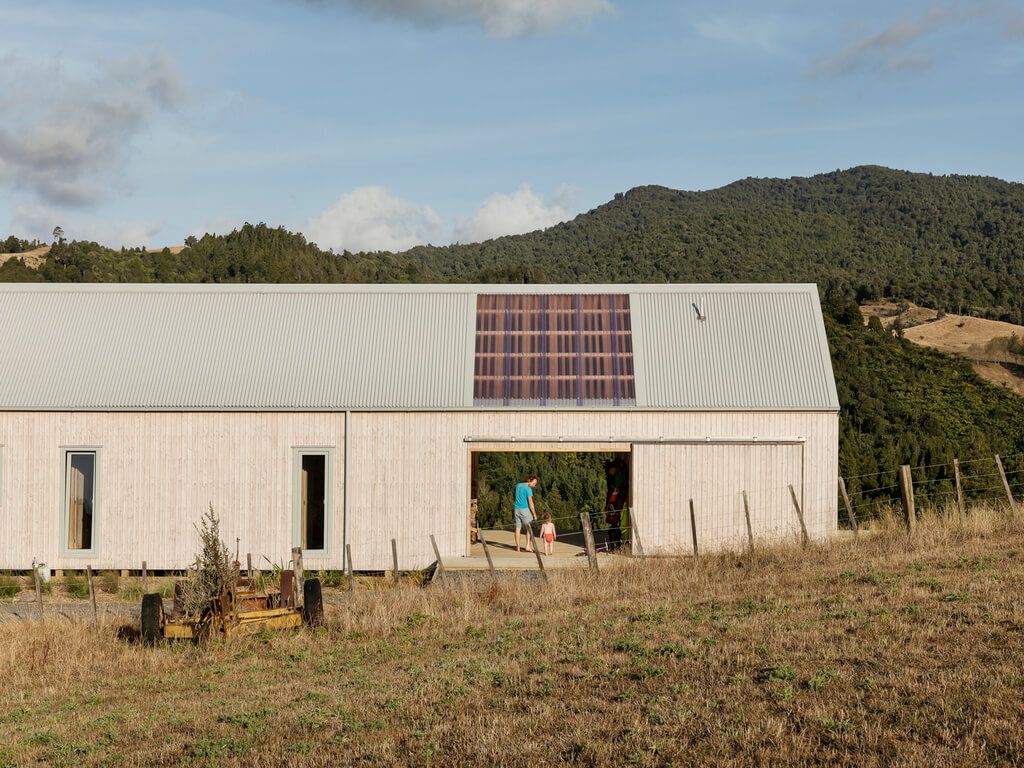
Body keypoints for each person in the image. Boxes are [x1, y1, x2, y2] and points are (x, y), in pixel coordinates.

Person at [604, 458, 628, 551]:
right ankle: (615, 546)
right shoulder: (615, 474)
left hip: (614, 496)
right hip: (615, 495)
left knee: (613, 532)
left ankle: (614, 546)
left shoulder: (612, 476)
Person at [512, 475, 538, 552]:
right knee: (529, 527)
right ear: (529, 480)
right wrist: (534, 514)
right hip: (524, 509)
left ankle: (518, 547)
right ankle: (527, 546)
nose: (534, 486)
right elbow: (531, 503)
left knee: (517, 528)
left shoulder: (517, 486)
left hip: (516, 509)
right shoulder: (528, 489)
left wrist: (515, 502)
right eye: (534, 483)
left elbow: (514, 496)